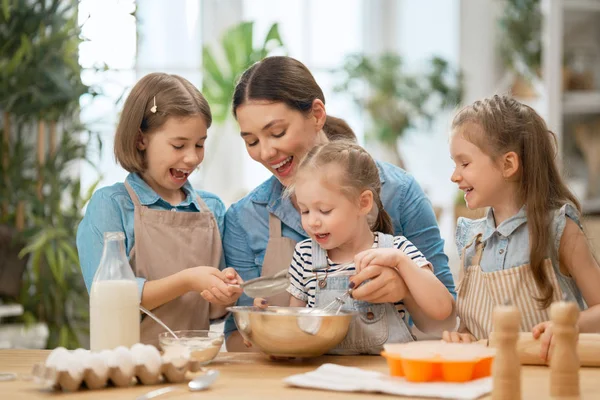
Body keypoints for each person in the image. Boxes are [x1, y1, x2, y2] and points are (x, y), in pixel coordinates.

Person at [213, 56, 456, 351]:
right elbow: (237, 340)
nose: (266, 152)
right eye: (251, 141)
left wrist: (404, 289)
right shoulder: (244, 218)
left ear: (317, 114)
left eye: (277, 133)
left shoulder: (400, 192)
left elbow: (446, 321)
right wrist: (264, 327)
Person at [77, 73, 243, 345]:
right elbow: (108, 297)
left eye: (200, 144)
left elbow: (213, 312)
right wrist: (188, 280)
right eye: (179, 145)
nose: (192, 158)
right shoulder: (111, 206)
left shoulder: (211, 208)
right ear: (141, 139)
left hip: (192, 365)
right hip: (127, 364)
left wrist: (225, 292)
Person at [444, 94, 600, 362]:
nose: (454, 176)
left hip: (552, 384)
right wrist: (463, 336)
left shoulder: (559, 230)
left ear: (508, 164)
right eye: (454, 164)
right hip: (491, 384)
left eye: (465, 163)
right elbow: (472, 325)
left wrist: (570, 325)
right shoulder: (472, 241)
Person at [286, 141, 454, 354]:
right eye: (305, 211)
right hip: (324, 374)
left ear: (363, 203)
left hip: (387, 373)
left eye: (324, 210)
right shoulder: (305, 255)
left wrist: (401, 263)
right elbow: (293, 323)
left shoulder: (397, 249)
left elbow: (442, 309)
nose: (312, 222)